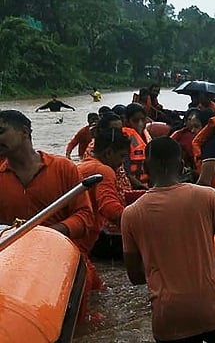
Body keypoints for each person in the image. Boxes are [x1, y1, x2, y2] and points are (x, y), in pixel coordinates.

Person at [121, 137, 215, 343]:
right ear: (182, 165)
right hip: (213, 308)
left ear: (146, 167)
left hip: (169, 317)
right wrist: (213, 265)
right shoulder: (208, 197)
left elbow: (136, 276)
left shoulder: (131, 214)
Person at [0, 110, 95, 319]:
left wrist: (47, 235)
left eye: (1, 131)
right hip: (13, 271)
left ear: (24, 132)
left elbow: (85, 217)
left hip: (62, 264)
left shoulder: (63, 168)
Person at [77, 127, 130, 291]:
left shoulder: (86, 166)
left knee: (99, 290)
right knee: (99, 291)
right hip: (78, 247)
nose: (122, 162)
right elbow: (110, 209)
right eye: (121, 156)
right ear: (108, 153)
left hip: (78, 244)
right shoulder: (102, 170)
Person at [123, 103, 152, 190]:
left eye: (142, 119)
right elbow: (125, 172)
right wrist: (144, 189)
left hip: (148, 183)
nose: (140, 123)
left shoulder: (147, 136)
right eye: (135, 120)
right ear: (127, 121)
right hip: (134, 186)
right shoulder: (125, 139)